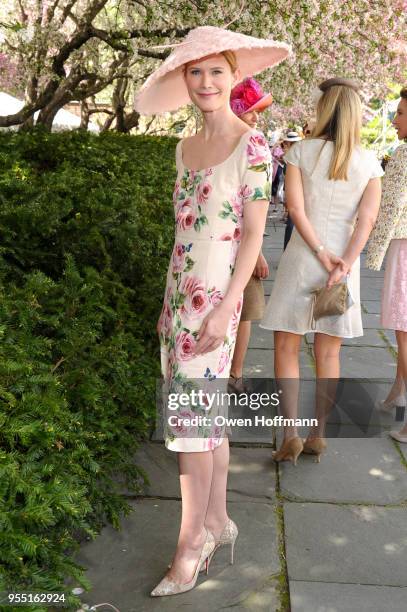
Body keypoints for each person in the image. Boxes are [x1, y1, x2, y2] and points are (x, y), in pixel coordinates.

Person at [135, 25, 290, 596]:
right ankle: (219, 521)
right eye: (195, 72)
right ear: (185, 78)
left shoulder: (253, 145)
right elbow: (183, 234)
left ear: (235, 77)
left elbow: (253, 237)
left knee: (189, 431)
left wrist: (227, 309)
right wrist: (166, 302)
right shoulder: (182, 147)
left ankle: (190, 544)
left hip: (216, 304)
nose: (204, 82)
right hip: (181, 298)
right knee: (205, 420)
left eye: (216, 71)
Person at [260, 77, 383, 464]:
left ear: (324, 109)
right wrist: (344, 261)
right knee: (329, 354)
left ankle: (291, 434)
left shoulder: (300, 153)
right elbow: (367, 221)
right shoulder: (369, 162)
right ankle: (319, 433)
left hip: (303, 258)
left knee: (286, 346)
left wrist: (320, 251)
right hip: (343, 270)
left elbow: (294, 210)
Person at [366, 86, 407, 444]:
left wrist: (374, 254)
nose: (395, 120)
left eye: (401, 113)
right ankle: (398, 391)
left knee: (404, 330)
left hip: (405, 246)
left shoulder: (404, 153)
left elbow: (391, 208)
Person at [228, 76, 273, 394]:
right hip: (225, 243)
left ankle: (235, 372)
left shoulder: (253, 144)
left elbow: (255, 208)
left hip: (243, 243)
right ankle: (228, 372)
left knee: (243, 311)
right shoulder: (233, 144)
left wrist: (255, 250)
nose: (256, 117)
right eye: (251, 110)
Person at [281, 131, 302, 250]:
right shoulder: (289, 156)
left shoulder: (297, 154)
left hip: (298, 191)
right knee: (291, 224)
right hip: (291, 191)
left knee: (292, 223)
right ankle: (286, 250)